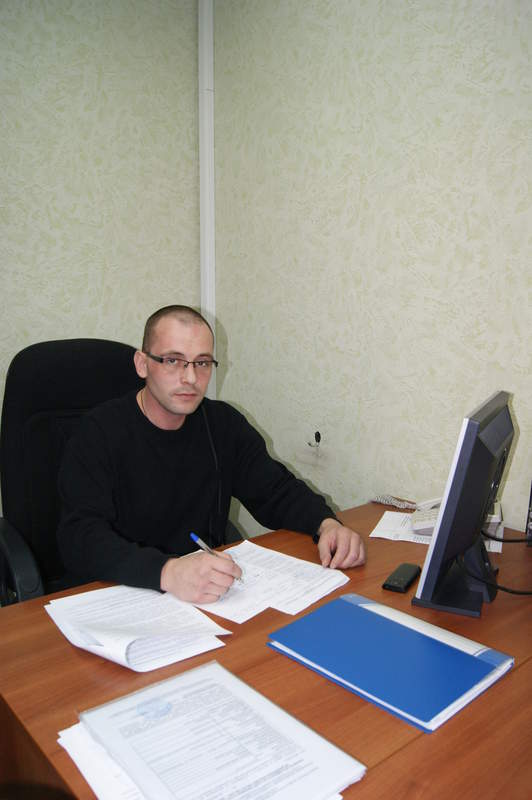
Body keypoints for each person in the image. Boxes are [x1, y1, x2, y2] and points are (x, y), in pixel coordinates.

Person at [57, 305, 365, 604]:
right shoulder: (98, 432)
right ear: (142, 363)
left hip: (209, 593)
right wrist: (167, 572)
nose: (190, 378)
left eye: (202, 363)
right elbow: (79, 536)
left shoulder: (222, 424)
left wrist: (326, 524)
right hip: (120, 594)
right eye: (173, 360)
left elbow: (275, 491)